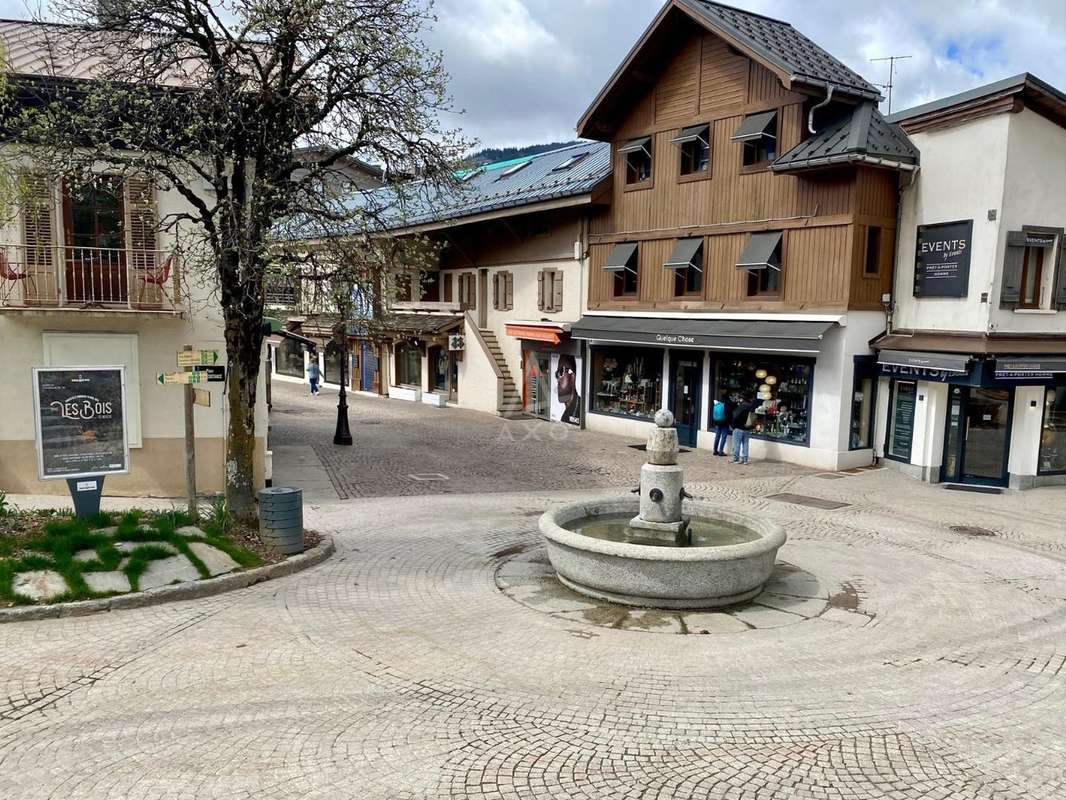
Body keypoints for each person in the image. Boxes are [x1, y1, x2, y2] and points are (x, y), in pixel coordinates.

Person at [731, 391, 758, 465]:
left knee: (737, 444)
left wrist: (733, 425)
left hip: (739, 427)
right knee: (745, 444)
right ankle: (745, 459)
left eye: (740, 398)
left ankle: (736, 459)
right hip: (747, 427)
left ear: (742, 399)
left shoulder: (742, 406)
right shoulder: (751, 406)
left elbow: (735, 416)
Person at [555, 354, 581, 424]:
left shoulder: (581, 410)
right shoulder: (565, 416)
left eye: (561, 372)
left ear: (572, 377)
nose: (558, 379)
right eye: (557, 374)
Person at [711, 389, 733, 457]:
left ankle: (715, 450)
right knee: (723, 437)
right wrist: (730, 423)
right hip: (725, 423)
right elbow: (729, 414)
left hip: (718, 422)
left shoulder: (718, 402)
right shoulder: (728, 403)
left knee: (717, 436)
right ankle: (721, 451)